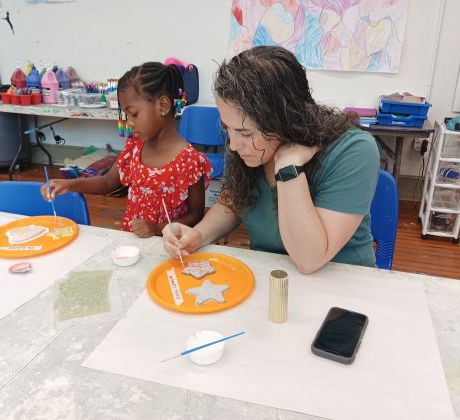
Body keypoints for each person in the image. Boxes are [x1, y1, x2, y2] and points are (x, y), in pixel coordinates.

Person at [163, 46, 380, 273]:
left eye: (245, 133)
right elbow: (231, 203)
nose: (234, 145)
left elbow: (309, 260)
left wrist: (288, 165)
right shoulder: (243, 145)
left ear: (285, 120)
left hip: (343, 284)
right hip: (272, 275)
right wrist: (198, 234)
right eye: (228, 128)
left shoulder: (353, 150)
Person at [41, 62, 213, 238]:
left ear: (163, 106)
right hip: (132, 241)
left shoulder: (190, 161)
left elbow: (196, 214)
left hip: (170, 247)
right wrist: (69, 185)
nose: (130, 122)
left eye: (134, 114)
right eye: (126, 115)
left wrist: (156, 228)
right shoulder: (135, 147)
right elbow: (108, 182)